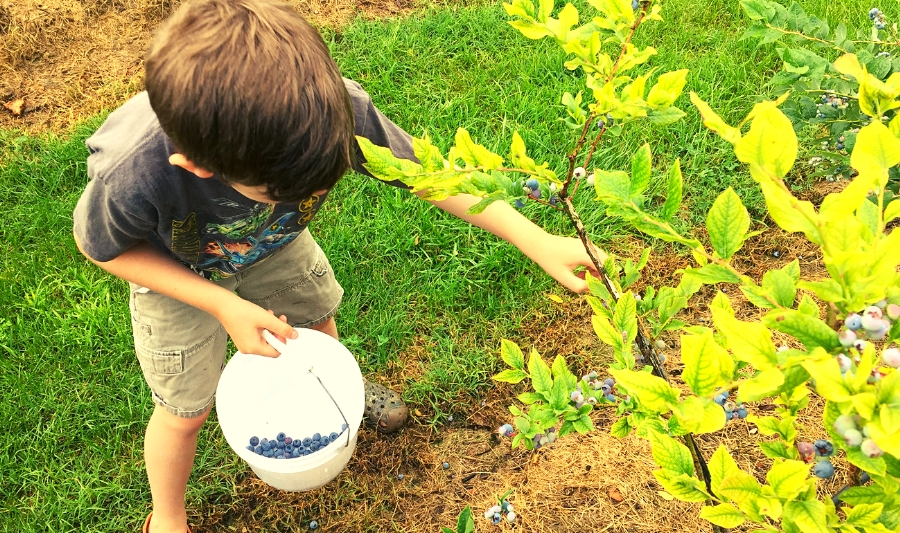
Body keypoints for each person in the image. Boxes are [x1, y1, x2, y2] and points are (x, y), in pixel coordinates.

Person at [71, 0, 606, 531]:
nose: (314, 194)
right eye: (283, 191)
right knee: (186, 412)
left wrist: (535, 239)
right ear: (198, 168)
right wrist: (221, 303)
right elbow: (104, 249)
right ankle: (166, 517)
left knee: (318, 331)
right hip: (177, 276)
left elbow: (428, 176)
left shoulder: (328, 111)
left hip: (275, 247)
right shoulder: (134, 173)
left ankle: (336, 395)